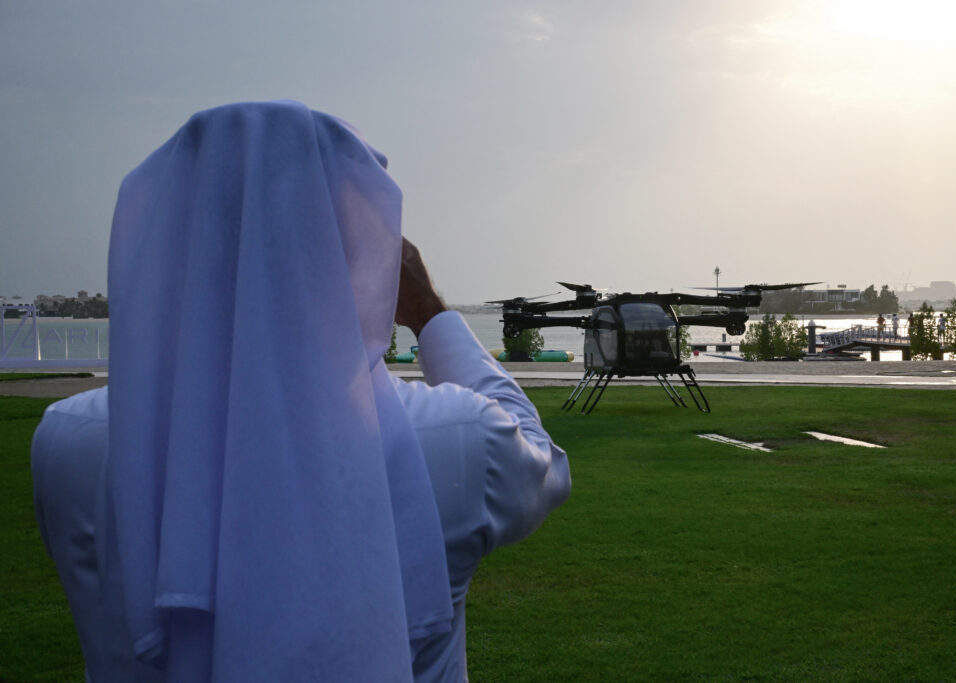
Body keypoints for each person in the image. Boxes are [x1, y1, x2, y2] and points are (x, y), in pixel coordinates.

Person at [32, 102, 570, 682]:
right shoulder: (456, 441)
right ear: (366, 256)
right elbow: (541, 458)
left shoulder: (70, 444)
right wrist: (432, 313)